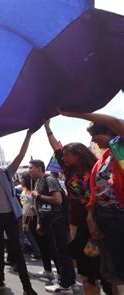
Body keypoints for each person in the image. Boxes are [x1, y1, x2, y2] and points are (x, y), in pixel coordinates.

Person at [59, 110, 124, 295]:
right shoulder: (102, 161)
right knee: (106, 269)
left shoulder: (121, 150)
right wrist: (90, 217)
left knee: (117, 272)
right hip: (101, 220)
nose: (94, 141)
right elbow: (95, 195)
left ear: (112, 133)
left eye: (96, 135)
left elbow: (117, 122)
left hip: (120, 218)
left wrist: (80, 114)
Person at [44, 119, 104, 294]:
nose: (63, 158)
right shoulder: (69, 171)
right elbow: (56, 148)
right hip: (77, 224)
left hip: (99, 223)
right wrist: (48, 128)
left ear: (78, 154)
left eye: (67, 155)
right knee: (86, 268)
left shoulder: (97, 168)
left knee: (106, 269)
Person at [0, 130, 37, 295]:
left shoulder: (6, 172)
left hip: (10, 216)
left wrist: (28, 135)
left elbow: (20, 155)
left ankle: (27, 286)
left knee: (16, 250)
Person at [29, 159, 76, 293]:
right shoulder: (38, 182)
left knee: (62, 251)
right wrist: (39, 222)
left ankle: (66, 284)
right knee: (56, 251)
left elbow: (57, 200)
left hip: (56, 220)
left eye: (31, 168)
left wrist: (39, 196)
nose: (29, 171)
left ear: (39, 168)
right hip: (48, 220)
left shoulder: (49, 180)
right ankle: (65, 279)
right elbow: (40, 207)